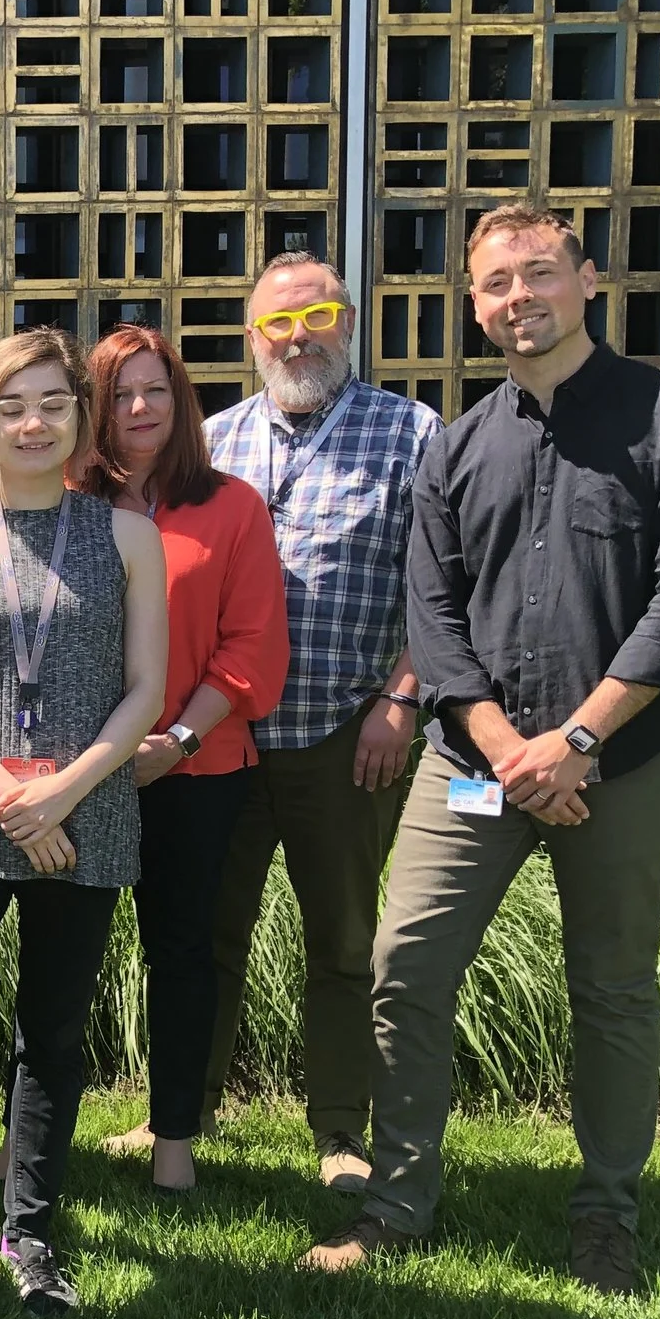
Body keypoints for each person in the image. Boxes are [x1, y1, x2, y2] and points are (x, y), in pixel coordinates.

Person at [301, 205, 660, 1295]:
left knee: (613, 989)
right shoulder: (457, 448)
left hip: (621, 762)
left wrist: (579, 737)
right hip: (474, 763)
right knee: (406, 962)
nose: (517, 299)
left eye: (538, 274)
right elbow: (433, 613)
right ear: (472, 301)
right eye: (495, 284)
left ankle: (606, 1216)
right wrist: (503, 745)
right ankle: (397, 1202)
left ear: (587, 279)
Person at [0, 330, 167, 1319]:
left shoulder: (126, 537)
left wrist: (64, 794)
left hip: (84, 818)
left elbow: (145, 691)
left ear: (78, 420)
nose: (33, 421)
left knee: (50, 1036)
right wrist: (11, 796)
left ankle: (32, 1235)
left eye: (53, 402)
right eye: (11, 405)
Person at [169, 255, 442, 1192]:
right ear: (251, 340)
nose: (299, 334)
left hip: (346, 733)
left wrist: (402, 700)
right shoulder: (210, 444)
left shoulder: (412, 434)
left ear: (350, 320)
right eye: (278, 322)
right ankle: (184, 1117)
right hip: (227, 736)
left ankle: (339, 1131)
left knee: (344, 940)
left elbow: (445, 592)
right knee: (207, 935)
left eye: (318, 314)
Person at [77, 327, 286, 1195]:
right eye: (120, 392)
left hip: (193, 768)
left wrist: (180, 741)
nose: (139, 409)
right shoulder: (64, 500)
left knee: (182, 950)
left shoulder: (233, 505)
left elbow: (250, 648)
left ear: (181, 398)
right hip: (79, 773)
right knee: (64, 951)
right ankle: (29, 1138)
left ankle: (174, 1138)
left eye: (155, 390)